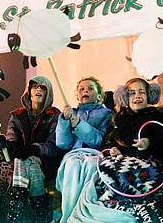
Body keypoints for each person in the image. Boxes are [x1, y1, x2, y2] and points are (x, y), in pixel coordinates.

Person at [67, 77, 163, 223]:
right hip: (123, 160)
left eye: (141, 92)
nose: (137, 96)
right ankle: (115, 204)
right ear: (125, 97)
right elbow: (109, 141)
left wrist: (149, 142)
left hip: (151, 161)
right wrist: (113, 149)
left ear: (149, 95)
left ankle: (141, 203)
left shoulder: (157, 116)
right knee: (107, 167)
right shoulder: (120, 119)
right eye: (132, 93)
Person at [0, 75, 62, 223]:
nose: (38, 89)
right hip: (21, 162)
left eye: (43, 87)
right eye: (35, 86)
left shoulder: (55, 116)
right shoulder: (17, 116)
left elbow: (55, 147)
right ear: (29, 91)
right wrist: (3, 145)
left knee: (28, 161)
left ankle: (16, 208)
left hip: (46, 163)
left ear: (48, 92)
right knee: (20, 163)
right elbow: (12, 144)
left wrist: (35, 149)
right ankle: (39, 213)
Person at [55, 76, 113, 223]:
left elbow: (98, 140)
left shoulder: (107, 114)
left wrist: (80, 125)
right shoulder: (72, 113)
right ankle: (68, 216)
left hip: (94, 154)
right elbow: (63, 144)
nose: (85, 90)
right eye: (81, 89)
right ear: (77, 95)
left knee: (91, 166)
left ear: (100, 95)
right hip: (74, 154)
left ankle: (84, 217)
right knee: (72, 166)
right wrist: (64, 121)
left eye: (90, 88)